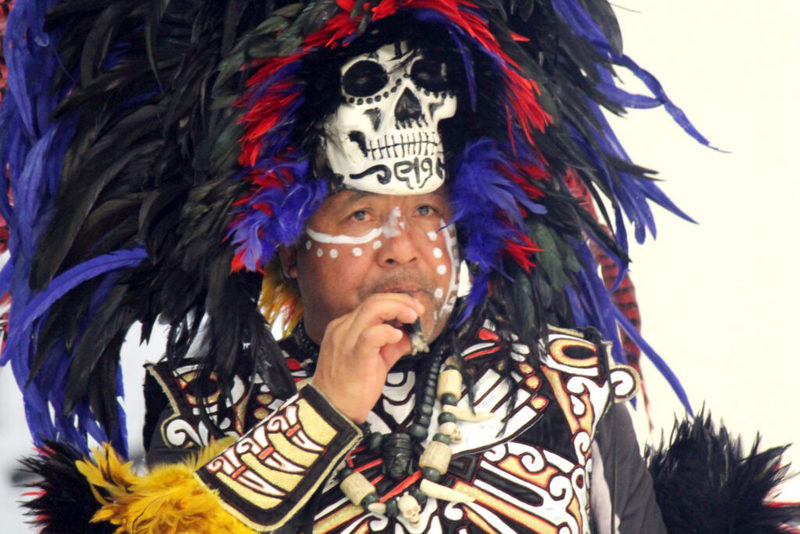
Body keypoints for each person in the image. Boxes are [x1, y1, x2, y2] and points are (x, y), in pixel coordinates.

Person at [1, 1, 797, 533]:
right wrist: (321, 413)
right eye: (359, 215)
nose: (402, 246)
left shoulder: (574, 391)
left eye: (426, 212)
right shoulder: (203, 409)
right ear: (286, 245)